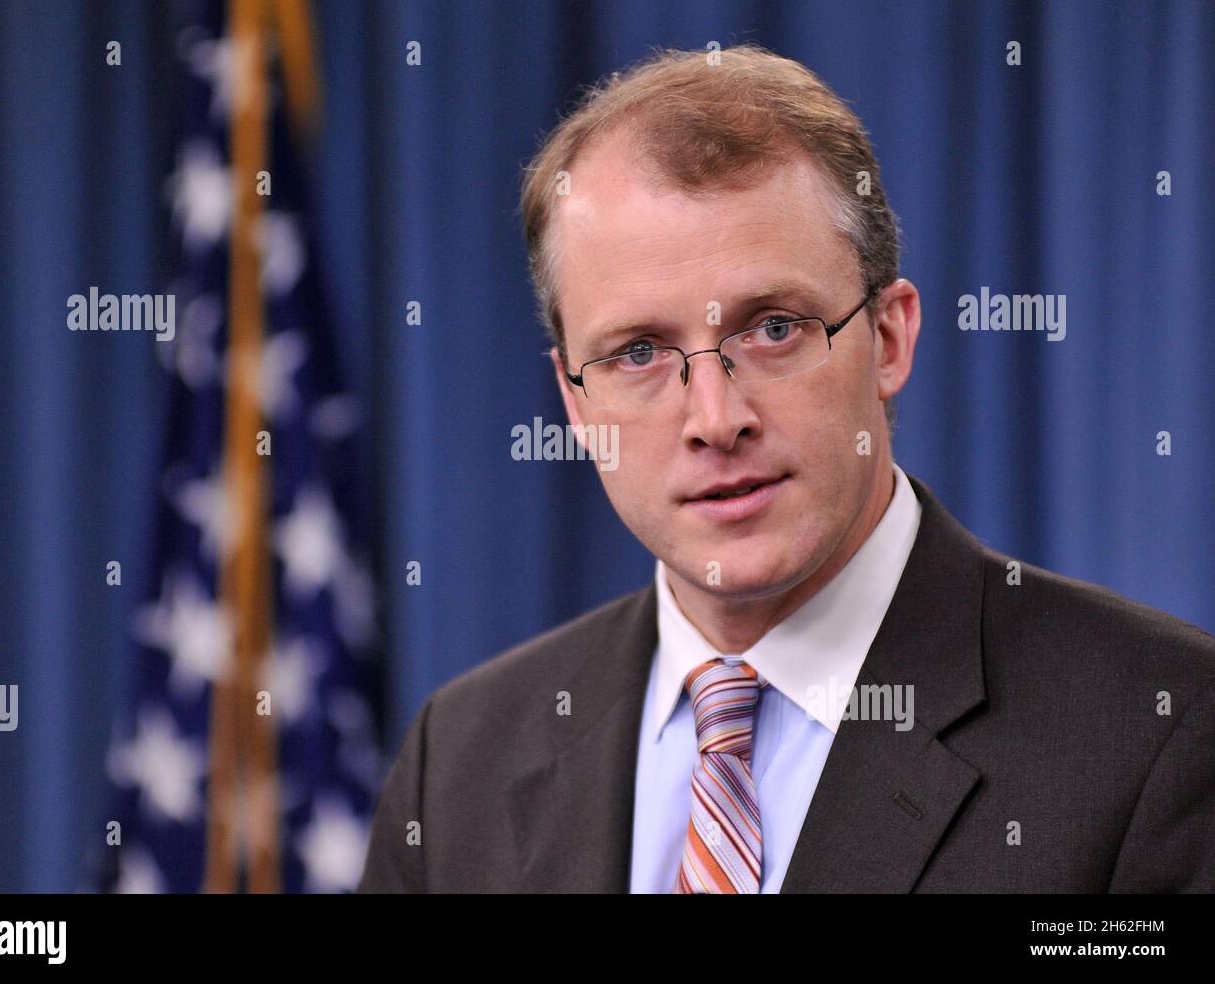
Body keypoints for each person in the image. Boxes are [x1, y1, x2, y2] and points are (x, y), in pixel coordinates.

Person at [358, 44, 1215, 893]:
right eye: (640, 352)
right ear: (576, 403)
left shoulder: (1160, 730)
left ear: (889, 339)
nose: (715, 419)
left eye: (773, 329)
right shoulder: (460, 757)